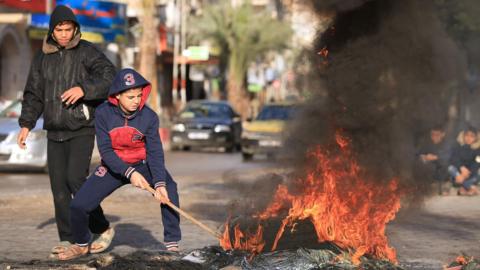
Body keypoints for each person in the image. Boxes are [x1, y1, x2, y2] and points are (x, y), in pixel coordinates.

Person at [17, 5, 116, 254]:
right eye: (59, 29)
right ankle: (68, 239)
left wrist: (84, 89)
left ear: (75, 29)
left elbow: (109, 76)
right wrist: (26, 125)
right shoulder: (42, 58)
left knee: (76, 181)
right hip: (54, 130)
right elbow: (33, 94)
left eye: (67, 29)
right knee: (59, 189)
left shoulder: (87, 52)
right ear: (52, 31)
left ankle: (102, 227)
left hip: (81, 127)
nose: (63, 34)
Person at [58, 68, 181, 260]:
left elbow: (155, 152)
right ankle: (81, 244)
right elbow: (105, 151)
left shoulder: (149, 117)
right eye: (131, 96)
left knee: (169, 190)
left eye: (139, 96)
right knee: (78, 205)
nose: (136, 101)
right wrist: (129, 172)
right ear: (117, 96)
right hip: (113, 166)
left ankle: (172, 243)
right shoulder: (103, 113)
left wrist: (159, 183)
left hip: (142, 164)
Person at [416, 125, 450, 194]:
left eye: (437, 135)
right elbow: (419, 154)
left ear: (443, 134)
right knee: (422, 164)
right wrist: (425, 157)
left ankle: (442, 186)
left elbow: (448, 156)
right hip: (430, 171)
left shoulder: (446, 144)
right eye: (432, 134)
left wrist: (435, 157)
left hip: (443, 171)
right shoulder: (427, 144)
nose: (434, 137)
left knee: (444, 165)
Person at [448, 126, 480, 196]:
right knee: (450, 168)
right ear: (463, 136)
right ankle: (470, 187)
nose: (469, 138)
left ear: (476, 138)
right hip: (458, 174)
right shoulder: (457, 145)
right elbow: (454, 158)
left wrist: (467, 173)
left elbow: (477, 163)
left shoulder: (478, 149)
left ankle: (464, 187)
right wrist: (461, 168)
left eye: (472, 136)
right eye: (467, 135)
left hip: (471, 174)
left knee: (478, 174)